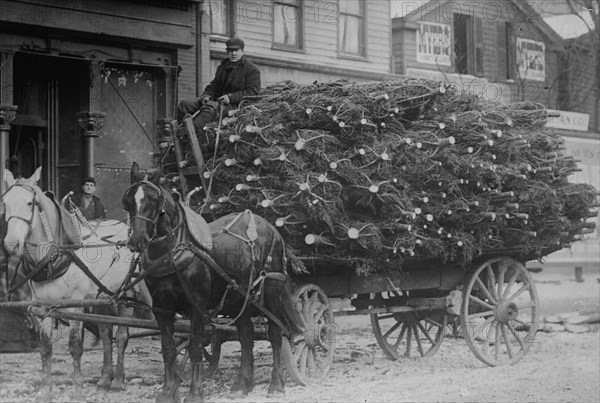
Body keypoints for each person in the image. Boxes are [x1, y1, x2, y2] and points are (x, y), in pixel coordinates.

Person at [177, 37, 261, 132]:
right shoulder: (223, 67)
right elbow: (214, 86)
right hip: (218, 103)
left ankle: (191, 132)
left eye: (236, 50)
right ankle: (179, 129)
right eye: (230, 51)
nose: (233, 54)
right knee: (184, 104)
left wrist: (230, 97)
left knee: (211, 107)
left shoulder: (251, 69)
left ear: (242, 51)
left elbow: (253, 92)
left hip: (236, 106)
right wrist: (207, 96)